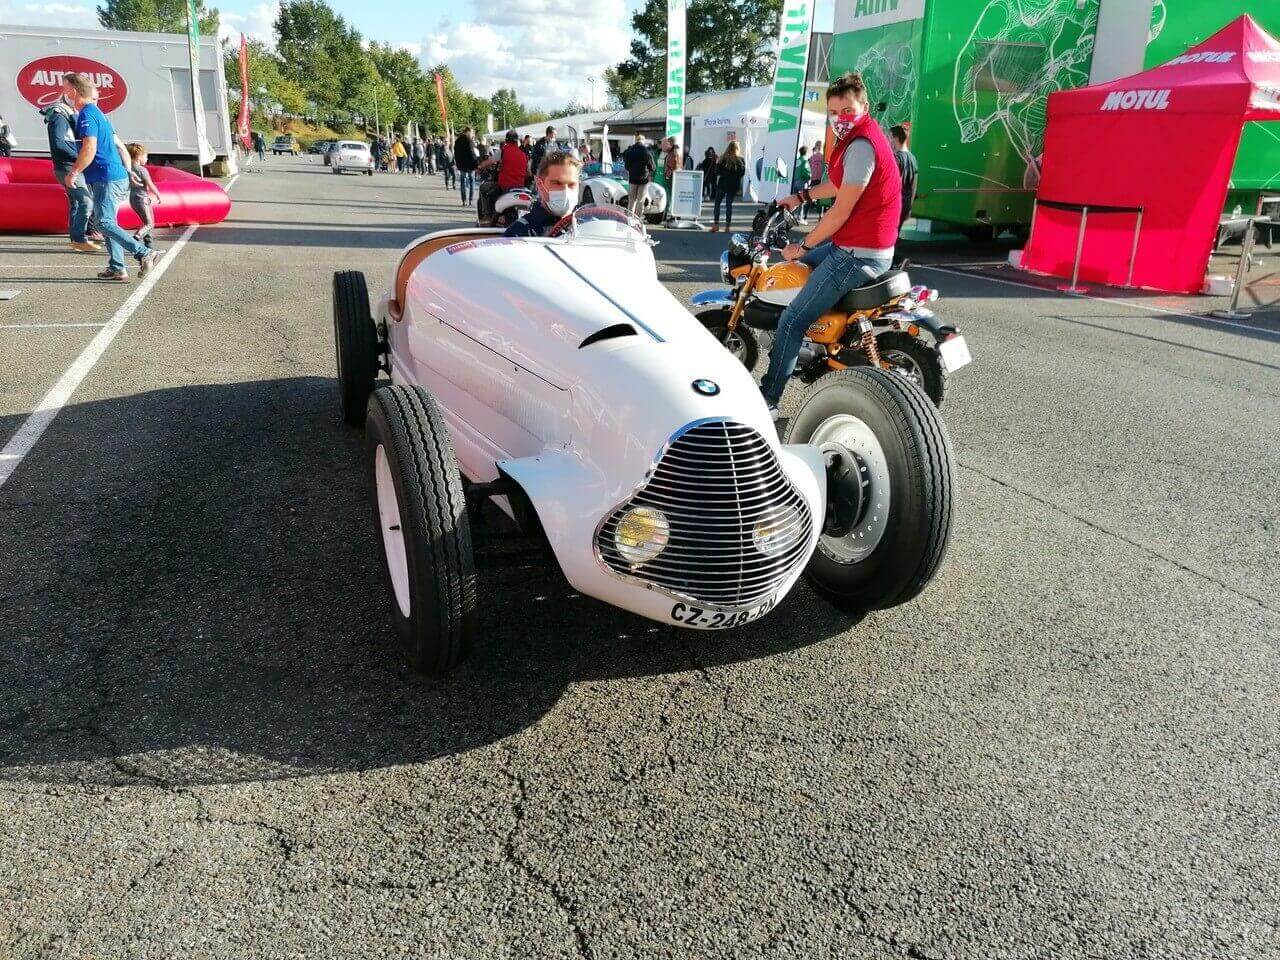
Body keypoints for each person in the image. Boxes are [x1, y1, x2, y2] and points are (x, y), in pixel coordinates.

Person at [760, 72, 902, 417]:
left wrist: (803, 245)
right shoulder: (858, 137)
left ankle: (769, 400)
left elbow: (840, 210)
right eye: (834, 112)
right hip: (856, 245)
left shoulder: (861, 146)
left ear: (864, 107)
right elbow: (837, 186)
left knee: (792, 320)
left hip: (858, 254)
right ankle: (819, 343)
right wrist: (800, 196)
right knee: (802, 271)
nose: (840, 118)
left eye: (848, 109)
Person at [62, 72, 158, 281]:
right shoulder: (98, 113)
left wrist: (74, 172)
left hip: (106, 177)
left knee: (104, 223)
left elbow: (89, 148)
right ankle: (117, 267)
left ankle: (143, 253)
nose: (63, 92)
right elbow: (119, 145)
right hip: (111, 176)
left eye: (65, 88)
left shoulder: (87, 114)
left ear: (74, 91)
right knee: (109, 222)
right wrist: (128, 170)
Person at [43, 81, 100, 253]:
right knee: (85, 201)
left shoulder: (69, 115)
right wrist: (82, 156)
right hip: (67, 166)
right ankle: (79, 238)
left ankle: (76, 238)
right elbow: (59, 143)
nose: (94, 102)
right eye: (93, 98)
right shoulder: (59, 116)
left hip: (69, 165)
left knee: (76, 203)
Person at [504, 151, 582, 238]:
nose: (565, 191)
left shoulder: (589, 225)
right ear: (539, 185)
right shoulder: (519, 232)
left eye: (571, 184)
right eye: (556, 183)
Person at [476, 130, 528, 225]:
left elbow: (490, 161)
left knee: (483, 188)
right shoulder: (523, 154)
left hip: (505, 186)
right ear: (517, 141)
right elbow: (528, 172)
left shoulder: (503, 151)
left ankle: (487, 216)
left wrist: (479, 167)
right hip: (520, 187)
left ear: (506, 140)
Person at [125, 142, 161, 247]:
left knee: (147, 222)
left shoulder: (128, 169)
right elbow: (150, 184)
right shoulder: (142, 170)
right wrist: (158, 194)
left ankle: (148, 245)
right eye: (145, 157)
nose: (146, 159)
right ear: (139, 157)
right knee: (150, 223)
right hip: (142, 198)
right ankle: (138, 236)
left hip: (132, 197)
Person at [711, 140, 745, 233]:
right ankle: (727, 227)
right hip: (733, 185)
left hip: (723, 183)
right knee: (728, 205)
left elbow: (717, 171)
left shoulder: (723, 158)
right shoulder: (740, 160)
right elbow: (742, 173)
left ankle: (716, 225)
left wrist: (724, 173)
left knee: (717, 203)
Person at [890, 124, 918, 231]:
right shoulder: (913, 158)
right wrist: (909, 208)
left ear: (895, 138)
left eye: (890, 137)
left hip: (894, 205)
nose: (889, 140)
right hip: (905, 205)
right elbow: (914, 186)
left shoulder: (896, 158)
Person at [621, 133, 655, 220]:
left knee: (632, 200)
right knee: (641, 199)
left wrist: (631, 170)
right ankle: (637, 218)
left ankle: (629, 217)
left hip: (632, 178)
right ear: (643, 141)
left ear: (636, 141)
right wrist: (648, 172)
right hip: (643, 179)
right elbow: (652, 166)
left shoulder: (629, 151)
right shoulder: (646, 151)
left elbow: (626, 166)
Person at [454, 127, 479, 206]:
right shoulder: (469, 140)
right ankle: (470, 200)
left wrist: (458, 164)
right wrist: (476, 164)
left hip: (461, 165)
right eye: (471, 132)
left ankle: (464, 200)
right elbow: (472, 153)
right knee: (472, 182)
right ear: (467, 132)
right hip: (470, 165)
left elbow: (456, 154)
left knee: (462, 182)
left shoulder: (457, 141)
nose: (472, 134)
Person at [792, 146, 811, 225]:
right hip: (802, 182)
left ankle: (791, 216)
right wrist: (809, 177)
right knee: (802, 200)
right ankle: (799, 218)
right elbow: (806, 171)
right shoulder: (805, 160)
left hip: (795, 181)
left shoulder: (797, 160)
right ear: (806, 152)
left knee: (794, 200)